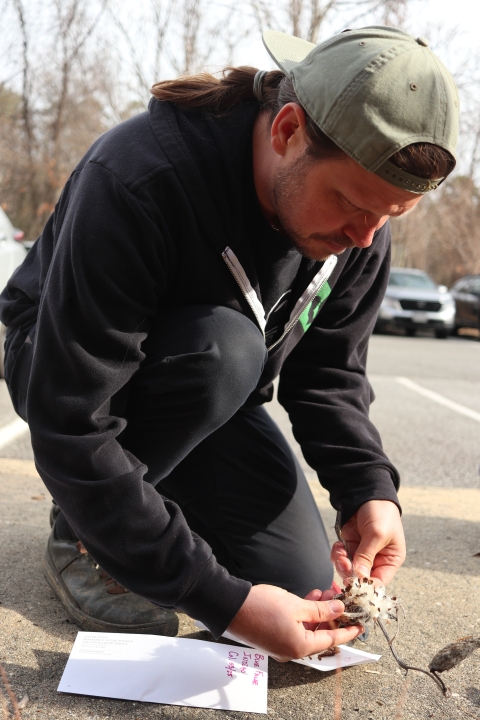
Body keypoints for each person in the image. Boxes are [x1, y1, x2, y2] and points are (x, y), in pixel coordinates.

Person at [0, 26, 458, 661]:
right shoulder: (142, 177)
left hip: (213, 387)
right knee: (228, 350)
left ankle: (136, 496)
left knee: (303, 589)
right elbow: (71, 419)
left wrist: (368, 490)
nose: (365, 236)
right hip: (65, 366)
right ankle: (83, 530)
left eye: (391, 217)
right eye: (352, 203)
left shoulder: (363, 229)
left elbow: (328, 374)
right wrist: (223, 602)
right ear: (288, 130)